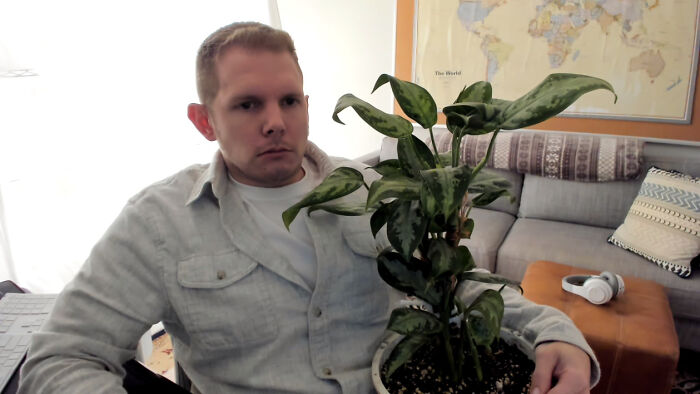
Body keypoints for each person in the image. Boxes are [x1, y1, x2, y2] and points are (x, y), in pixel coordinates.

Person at [18, 22, 598, 394]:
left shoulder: (377, 193)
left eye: (289, 99)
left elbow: (459, 281)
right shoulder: (159, 222)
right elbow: (61, 357)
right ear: (204, 121)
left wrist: (554, 332)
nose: (275, 120)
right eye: (247, 104)